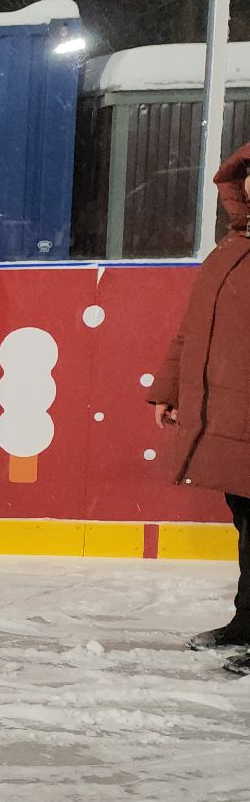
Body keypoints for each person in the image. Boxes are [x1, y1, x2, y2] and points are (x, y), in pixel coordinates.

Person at [152, 140, 250, 676]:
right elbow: (193, 332)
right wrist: (172, 391)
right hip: (233, 417)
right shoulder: (229, 251)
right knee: (245, 521)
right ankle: (246, 624)